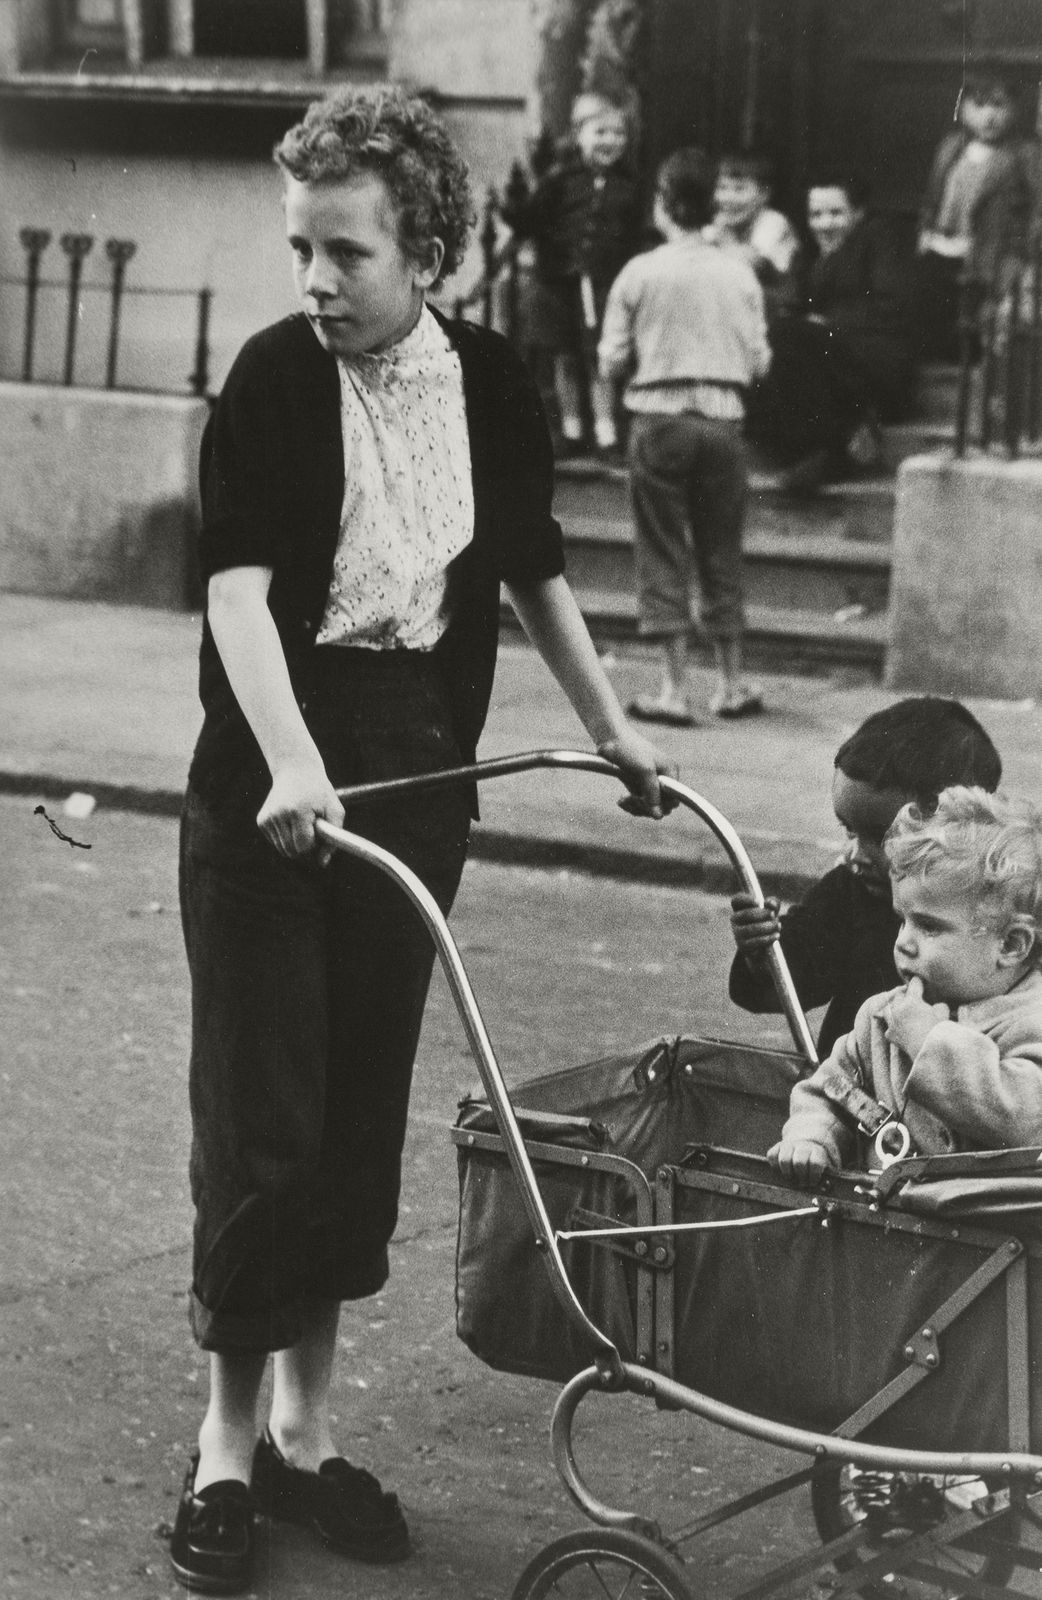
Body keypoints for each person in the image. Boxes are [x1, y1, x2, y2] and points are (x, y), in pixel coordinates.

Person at [170, 84, 673, 1596]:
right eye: (300, 250)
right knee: (260, 1127)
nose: (315, 281)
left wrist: (614, 730)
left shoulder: (493, 384)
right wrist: (292, 764)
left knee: (350, 1115)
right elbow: (238, 594)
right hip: (272, 781)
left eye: (346, 252)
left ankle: (311, 1438)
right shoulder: (268, 379)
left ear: (427, 249)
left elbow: (529, 572)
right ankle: (224, 1448)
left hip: (414, 777)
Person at [771, 785, 1042, 1186]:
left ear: (1010, 944)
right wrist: (813, 1137)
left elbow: (1022, 1118)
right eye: (903, 919)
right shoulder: (883, 1015)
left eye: (929, 926)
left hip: (995, 1237)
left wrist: (932, 1040)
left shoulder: (1030, 1023)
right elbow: (831, 1088)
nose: (903, 942)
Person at [598, 147, 771, 726]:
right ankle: (731, 683)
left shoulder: (640, 272)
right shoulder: (739, 272)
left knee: (662, 549)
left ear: (664, 205)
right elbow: (760, 359)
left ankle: (675, 690)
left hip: (660, 417)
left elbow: (611, 358)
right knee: (722, 547)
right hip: (723, 422)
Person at [730, 697, 1002, 1057]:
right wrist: (762, 953)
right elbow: (792, 986)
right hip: (849, 1097)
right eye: (849, 831)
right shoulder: (850, 892)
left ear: (960, 826)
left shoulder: (1002, 905)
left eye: (881, 836)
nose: (855, 854)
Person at [745, 173, 916, 491]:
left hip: (876, 358)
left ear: (858, 214)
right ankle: (844, 437)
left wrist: (826, 325)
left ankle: (835, 449)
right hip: (828, 362)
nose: (824, 224)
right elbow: (794, 307)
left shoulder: (876, 241)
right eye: (816, 215)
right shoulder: (810, 257)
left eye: (836, 213)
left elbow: (891, 304)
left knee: (793, 339)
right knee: (777, 341)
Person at [501, 91, 641, 459]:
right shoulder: (561, 181)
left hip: (603, 284)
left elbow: (635, 236)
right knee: (564, 356)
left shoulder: (629, 187)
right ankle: (572, 429)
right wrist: (515, 204)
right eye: (600, 133)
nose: (609, 141)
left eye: (617, 134)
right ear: (579, 136)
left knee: (599, 357)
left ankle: (606, 432)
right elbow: (531, 220)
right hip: (558, 282)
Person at [916, 65, 1040, 363]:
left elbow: (1037, 208)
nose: (989, 116)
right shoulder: (952, 147)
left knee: (980, 324)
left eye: (999, 105)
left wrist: (1023, 255)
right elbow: (933, 195)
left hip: (991, 254)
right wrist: (925, 231)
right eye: (980, 104)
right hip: (943, 246)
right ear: (964, 107)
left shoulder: (1023, 155)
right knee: (940, 318)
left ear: (1014, 109)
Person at [704, 150, 799, 311]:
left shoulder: (773, 222)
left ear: (764, 194)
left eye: (739, 189)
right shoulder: (719, 225)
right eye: (722, 187)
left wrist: (725, 240)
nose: (728, 198)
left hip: (778, 309)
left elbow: (750, 264)